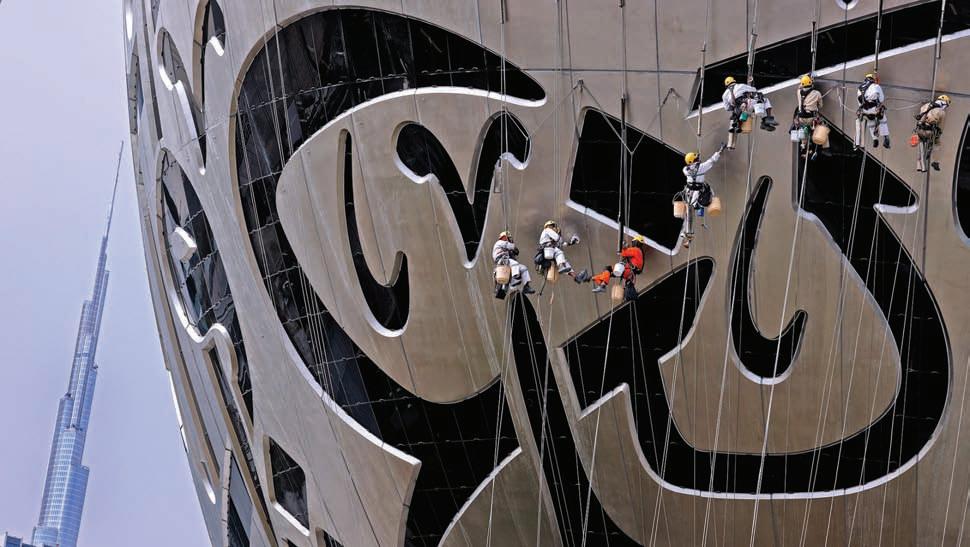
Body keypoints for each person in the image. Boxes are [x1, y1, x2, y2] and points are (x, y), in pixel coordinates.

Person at [676, 144, 725, 247]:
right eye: (696, 158)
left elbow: (692, 168)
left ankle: (688, 233)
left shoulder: (685, 170)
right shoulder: (701, 168)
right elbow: (712, 160)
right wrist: (720, 150)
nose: (698, 159)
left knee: (689, 211)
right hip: (699, 194)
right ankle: (688, 233)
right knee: (707, 197)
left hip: (689, 194)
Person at [723, 76, 778, 149]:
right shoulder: (740, 86)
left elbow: (727, 108)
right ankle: (766, 119)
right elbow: (754, 89)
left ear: (726, 86)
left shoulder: (724, 95)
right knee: (764, 100)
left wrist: (735, 108)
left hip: (738, 111)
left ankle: (731, 145)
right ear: (734, 81)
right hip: (748, 105)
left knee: (733, 124)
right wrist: (751, 84)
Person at [592, 235, 647, 300]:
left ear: (635, 242)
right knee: (609, 274)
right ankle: (598, 281)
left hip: (627, 271)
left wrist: (623, 246)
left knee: (608, 269)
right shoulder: (640, 252)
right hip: (629, 273)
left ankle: (602, 285)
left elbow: (623, 253)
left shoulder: (636, 250)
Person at [792, 74, 829, 158]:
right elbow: (820, 106)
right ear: (810, 83)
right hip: (811, 118)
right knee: (823, 126)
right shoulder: (817, 93)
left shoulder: (799, 92)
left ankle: (803, 145)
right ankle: (825, 148)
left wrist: (805, 79)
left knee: (804, 130)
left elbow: (800, 86)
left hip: (801, 118)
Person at [914, 94, 951, 172]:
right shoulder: (942, 112)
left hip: (919, 131)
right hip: (929, 133)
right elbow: (941, 127)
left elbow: (920, 117)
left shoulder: (925, 106)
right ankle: (935, 161)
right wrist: (938, 135)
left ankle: (920, 166)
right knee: (937, 143)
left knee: (921, 148)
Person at [492, 231, 535, 295]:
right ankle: (514, 280)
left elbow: (513, 254)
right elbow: (511, 246)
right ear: (504, 237)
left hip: (508, 262)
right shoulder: (500, 242)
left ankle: (526, 286)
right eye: (508, 237)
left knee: (523, 268)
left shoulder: (506, 248)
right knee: (515, 264)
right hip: (502, 260)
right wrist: (514, 248)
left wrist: (513, 252)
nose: (510, 239)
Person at [855, 72, 890, 150]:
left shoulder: (859, 89)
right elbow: (881, 99)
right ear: (872, 79)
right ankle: (886, 138)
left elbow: (859, 102)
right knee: (883, 120)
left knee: (871, 123)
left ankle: (875, 139)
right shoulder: (876, 86)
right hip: (875, 109)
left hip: (865, 110)